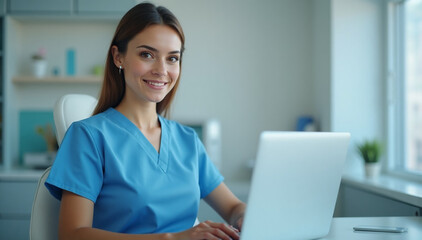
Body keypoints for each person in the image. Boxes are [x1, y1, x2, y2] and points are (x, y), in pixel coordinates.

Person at [45, 2, 246, 240]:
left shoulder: (187, 140)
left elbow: (232, 208)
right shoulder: (88, 137)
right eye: (147, 55)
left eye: (172, 58)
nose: (162, 70)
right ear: (118, 57)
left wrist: (245, 216)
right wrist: (172, 239)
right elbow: (72, 234)